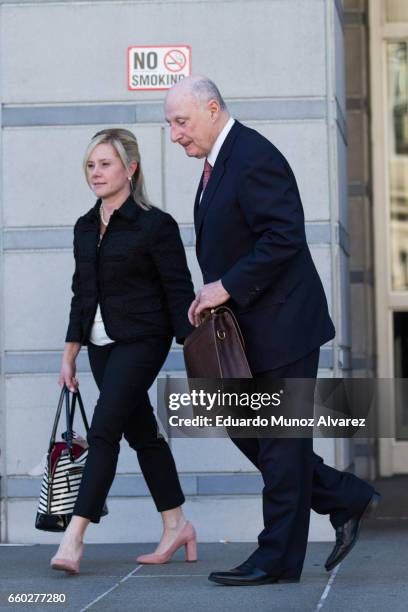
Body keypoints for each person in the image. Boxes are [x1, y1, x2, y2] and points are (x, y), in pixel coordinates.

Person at [164, 76, 380, 586]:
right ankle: (345, 496)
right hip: (249, 330)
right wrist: (214, 292)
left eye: (180, 121)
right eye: (170, 123)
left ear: (212, 109)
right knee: (257, 436)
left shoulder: (252, 155)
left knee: (282, 444)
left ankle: (276, 560)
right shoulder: (218, 163)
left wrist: (226, 287)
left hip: (284, 325)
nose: (174, 135)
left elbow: (284, 236)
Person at [50, 128, 197, 574]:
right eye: (91, 165)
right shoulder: (83, 226)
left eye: (105, 164)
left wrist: (197, 351)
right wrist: (70, 352)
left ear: (130, 168)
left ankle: (74, 537)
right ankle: (177, 525)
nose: (96, 172)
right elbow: (81, 293)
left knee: (103, 431)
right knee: (141, 433)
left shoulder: (156, 225)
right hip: (99, 345)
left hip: (143, 340)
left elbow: (178, 290)